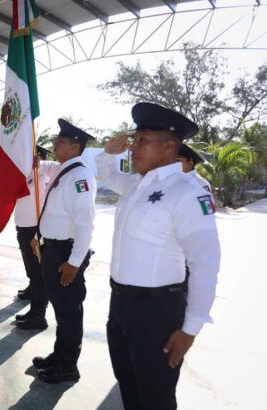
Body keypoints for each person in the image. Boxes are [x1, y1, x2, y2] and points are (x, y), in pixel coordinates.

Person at [96, 102, 221, 410]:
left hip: (157, 312)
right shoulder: (138, 185)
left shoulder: (186, 190)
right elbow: (109, 176)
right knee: (128, 381)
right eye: (134, 140)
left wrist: (190, 329)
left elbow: (205, 262)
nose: (133, 148)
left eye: (142, 141)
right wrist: (109, 153)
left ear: (168, 147)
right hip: (121, 304)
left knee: (155, 395)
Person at [29, 119, 96, 384]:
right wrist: (38, 236)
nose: (55, 144)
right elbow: (51, 210)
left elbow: (85, 224)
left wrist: (74, 263)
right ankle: (58, 356)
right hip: (53, 249)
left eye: (61, 141)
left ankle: (68, 367)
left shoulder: (79, 177)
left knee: (69, 312)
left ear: (75, 146)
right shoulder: (63, 172)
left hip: (67, 255)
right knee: (61, 310)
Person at [13, 145, 53, 330]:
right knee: (32, 270)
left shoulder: (42, 179)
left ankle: (39, 315)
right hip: (23, 228)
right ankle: (34, 310)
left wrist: (39, 234)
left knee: (39, 275)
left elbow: (46, 209)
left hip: (35, 231)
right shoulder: (27, 176)